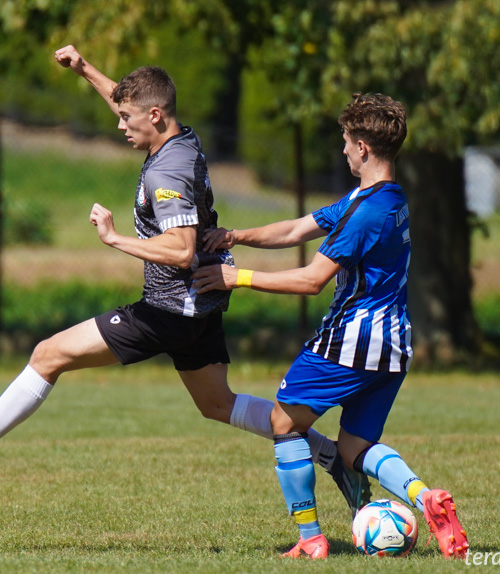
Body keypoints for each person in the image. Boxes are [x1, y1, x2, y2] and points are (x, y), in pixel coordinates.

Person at [0, 45, 365, 514]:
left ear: (155, 115)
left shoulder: (166, 169)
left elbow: (182, 248)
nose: (120, 125)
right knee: (216, 403)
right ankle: (331, 456)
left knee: (48, 354)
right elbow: (131, 102)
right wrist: (86, 69)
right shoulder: (179, 138)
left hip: (170, 309)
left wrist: (114, 239)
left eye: (128, 119)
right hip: (199, 304)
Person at [192, 92, 469, 560]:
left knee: (284, 423)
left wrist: (236, 277)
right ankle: (425, 498)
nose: (342, 150)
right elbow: (299, 228)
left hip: (351, 343)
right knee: (354, 447)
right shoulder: (384, 197)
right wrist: (237, 236)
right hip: (395, 345)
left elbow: (311, 280)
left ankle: (311, 539)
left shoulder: (366, 214)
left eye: (345, 141)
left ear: (363, 147)